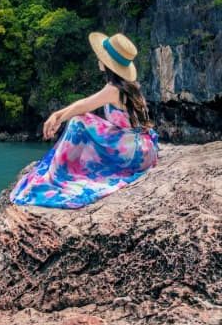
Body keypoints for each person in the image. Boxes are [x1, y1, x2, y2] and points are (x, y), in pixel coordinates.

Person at [9, 31, 160, 209]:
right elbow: (85, 103)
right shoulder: (127, 86)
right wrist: (57, 115)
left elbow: (83, 106)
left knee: (78, 122)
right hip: (142, 147)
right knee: (82, 118)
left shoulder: (114, 89)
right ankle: (67, 168)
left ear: (108, 63)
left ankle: (60, 173)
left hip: (133, 154)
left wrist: (59, 118)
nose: (98, 58)